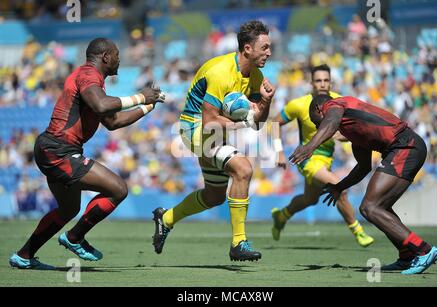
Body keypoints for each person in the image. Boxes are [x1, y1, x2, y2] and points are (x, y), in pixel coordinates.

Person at [9, 38, 165, 270]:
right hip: (59, 151)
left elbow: (113, 121)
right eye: (117, 54)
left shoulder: (93, 83)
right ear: (105, 57)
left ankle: (24, 256)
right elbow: (102, 106)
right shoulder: (88, 76)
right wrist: (140, 96)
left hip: (53, 149)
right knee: (118, 189)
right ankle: (74, 238)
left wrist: (147, 106)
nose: (120, 59)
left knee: (68, 209)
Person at [152, 20, 275, 262]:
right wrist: (244, 120)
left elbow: (258, 123)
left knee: (214, 196)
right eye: (265, 47)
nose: (269, 52)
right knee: (243, 168)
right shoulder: (220, 72)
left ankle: (165, 219)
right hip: (194, 128)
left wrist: (266, 102)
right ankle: (239, 242)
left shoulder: (256, 75)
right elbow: (209, 122)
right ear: (247, 49)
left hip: (216, 133)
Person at [289, 94, 437, 275]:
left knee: (370, 207)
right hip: (405, 148)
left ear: (318, 109)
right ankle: (407, 255)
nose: (317, 127)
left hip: (405, 146)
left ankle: (423, 250)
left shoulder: (335, 105)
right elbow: (363, 168)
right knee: (379, 206)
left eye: (316, 123)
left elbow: (330, 121)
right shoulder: (353, 130)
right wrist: (339, 186)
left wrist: (310, 146)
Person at [271, 64, 374, 247]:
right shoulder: (299, 104)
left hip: (327, 159)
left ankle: (282, 215)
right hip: (307, 158)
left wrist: (341, 136)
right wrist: (279, 152)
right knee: (339, 187)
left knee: (310, 199)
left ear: (331, 82)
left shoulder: (339, 103)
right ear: (311, 83)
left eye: (326, 80)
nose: (323, 84)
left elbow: (347, 132)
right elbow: (274, 124)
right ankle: (358, 231)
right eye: (318, 80)